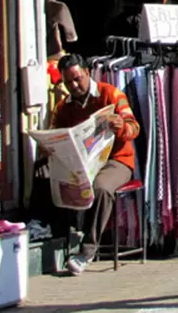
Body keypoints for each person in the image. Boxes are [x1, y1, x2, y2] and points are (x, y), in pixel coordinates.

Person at [49, 54, 140, 276]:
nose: (74, 85)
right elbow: (54, 132)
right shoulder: (63, 107)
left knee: (101, 187)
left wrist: (120, 126)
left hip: (116, 161)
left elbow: (133, 128)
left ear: (88, 73)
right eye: (68, 82)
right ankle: (58, 238)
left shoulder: (111, 94)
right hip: (82, 163)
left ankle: (87, 250)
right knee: (51, 179)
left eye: (77, 79)